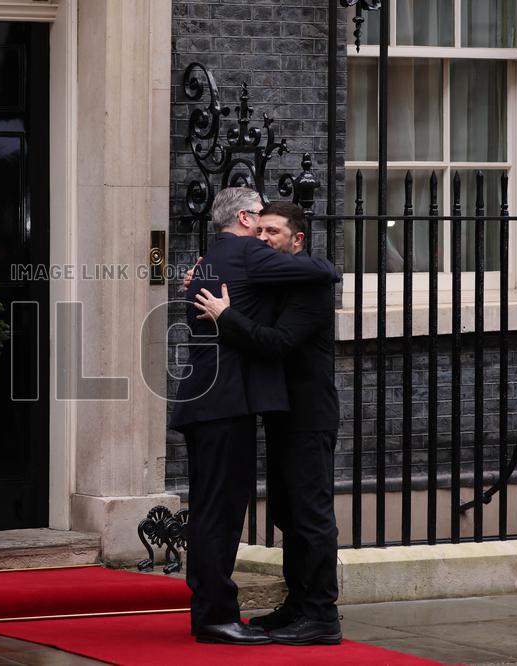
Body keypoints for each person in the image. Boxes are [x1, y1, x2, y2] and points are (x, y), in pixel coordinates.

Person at [169, 188, 340, 645]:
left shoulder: (227, 260)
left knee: (302, 514)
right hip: (231, 405)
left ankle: (317, 611)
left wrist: (226, 314)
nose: (263, 237)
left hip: (303, 412)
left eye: (273, 231)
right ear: (244, 219)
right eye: (259, 226)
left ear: (297, 241)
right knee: (223, 514)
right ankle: (219, 613)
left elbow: (281, 336)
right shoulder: (245, 259)